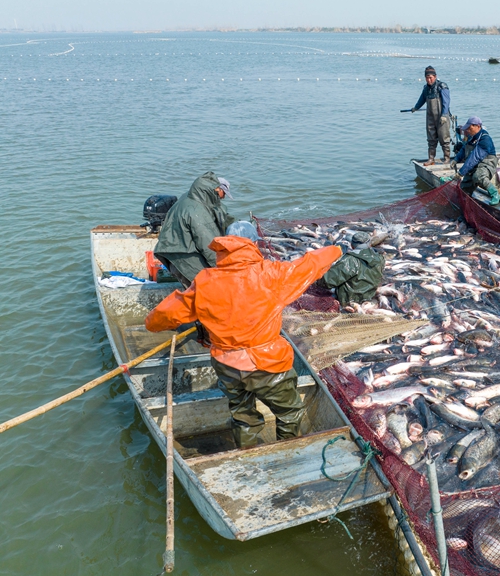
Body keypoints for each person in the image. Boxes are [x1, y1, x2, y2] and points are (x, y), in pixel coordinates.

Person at [145, 220, 342, 448]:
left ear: (225, 246)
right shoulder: (272, 274)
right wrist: (337, 249)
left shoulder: (205, 280)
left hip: (226, 364)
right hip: (267, 363)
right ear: (254, 245)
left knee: (242, 416)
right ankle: (287, 453)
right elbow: (311, 263)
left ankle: (246, 451)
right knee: (290, 413)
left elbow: (164, 314)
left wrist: (152, 324)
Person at [154, 172, 236, 288]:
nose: (223, 197)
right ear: (217, 190)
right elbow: (208, 246)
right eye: (224, 193)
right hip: (183, 259)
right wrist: (223, 269)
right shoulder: (197, 212)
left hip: (172, 251)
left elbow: (219, 213)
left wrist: (236, 224)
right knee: (209, 289)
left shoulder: (193, 196)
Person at [321, 232, 385, 307]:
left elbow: (327, 282)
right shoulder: (380, 259)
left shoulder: (350, 260)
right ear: (369, 244)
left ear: (352, 245)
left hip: (348, 303)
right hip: (369, 299)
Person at [411, 66, 452, 166]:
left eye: (431, 77)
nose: (429, 80)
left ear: (435, 76)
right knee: (431, 139)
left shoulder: (442, 86)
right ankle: (431, 159)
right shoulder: (426, 89)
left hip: (442, 117)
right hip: (430, 117)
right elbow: (422, 99)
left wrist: (444, 115)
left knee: (444, 138)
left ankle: (447, 158)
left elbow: (446, 102)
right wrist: (415, 108)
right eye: (427, 78)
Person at [454, 117, 500, 205]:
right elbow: (464, 148)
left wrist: (461, 172)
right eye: (467, 128)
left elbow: (474, 157)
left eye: (470, 128)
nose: (468, 131)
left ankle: (495, 194)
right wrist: (456, 159)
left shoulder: (485, 139)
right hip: (474, 164)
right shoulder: (471, 137)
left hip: (487, 164)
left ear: (478, 126)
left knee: (478, 176)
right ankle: (465, 206)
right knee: (464, 187)